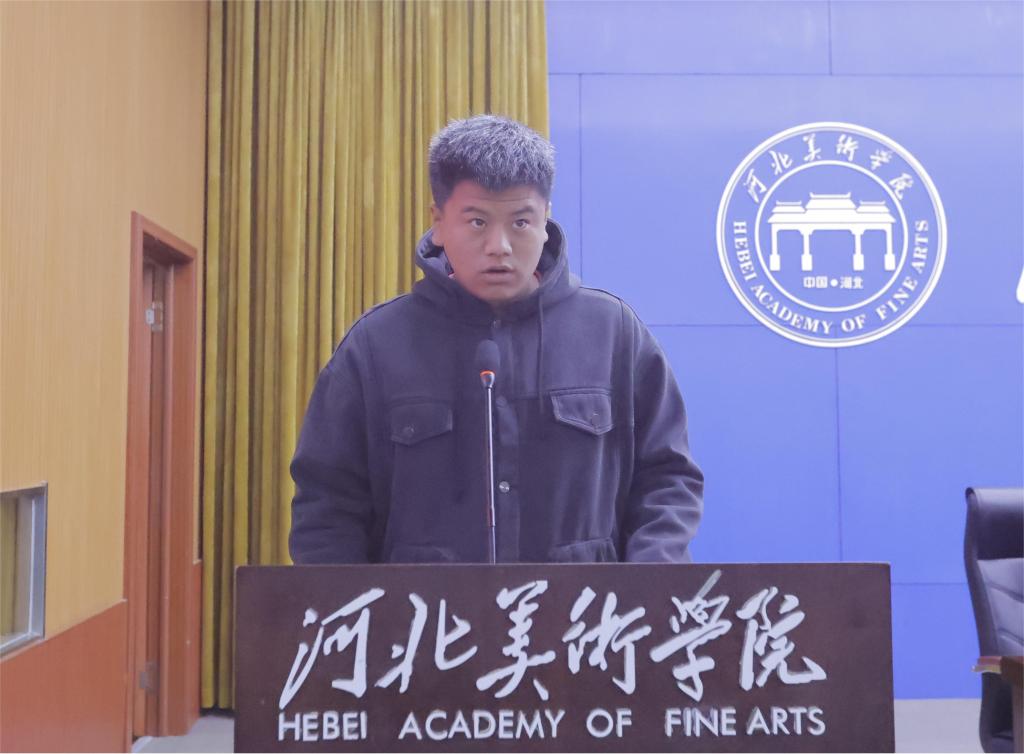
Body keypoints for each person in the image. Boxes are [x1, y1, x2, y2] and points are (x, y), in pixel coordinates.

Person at [289, 114, 703, 564]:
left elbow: (667, 480)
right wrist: (352, 603)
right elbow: (328, 506)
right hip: (427, 609)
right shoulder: (377, 345)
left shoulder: (612, 333)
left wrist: (647, 586)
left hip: (584, 607)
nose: (499, 246)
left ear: (545, 219)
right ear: (439, 222)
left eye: (520, 222)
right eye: (477, 222)